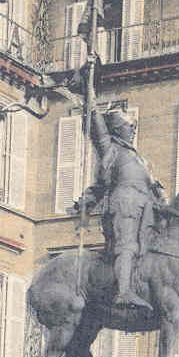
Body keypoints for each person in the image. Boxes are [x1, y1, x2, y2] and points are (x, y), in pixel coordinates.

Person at [71, 88, 168, 312]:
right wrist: (90, 91)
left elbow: (154, 184)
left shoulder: (141, 159)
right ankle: (123, 292)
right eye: (128, 126)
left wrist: (163, 201)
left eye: (134, 126)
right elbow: (96, 126)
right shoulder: (111, 149)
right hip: (124, 204)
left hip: (146, 208)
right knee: (128, 246)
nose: (132, 130)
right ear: (117, 129)